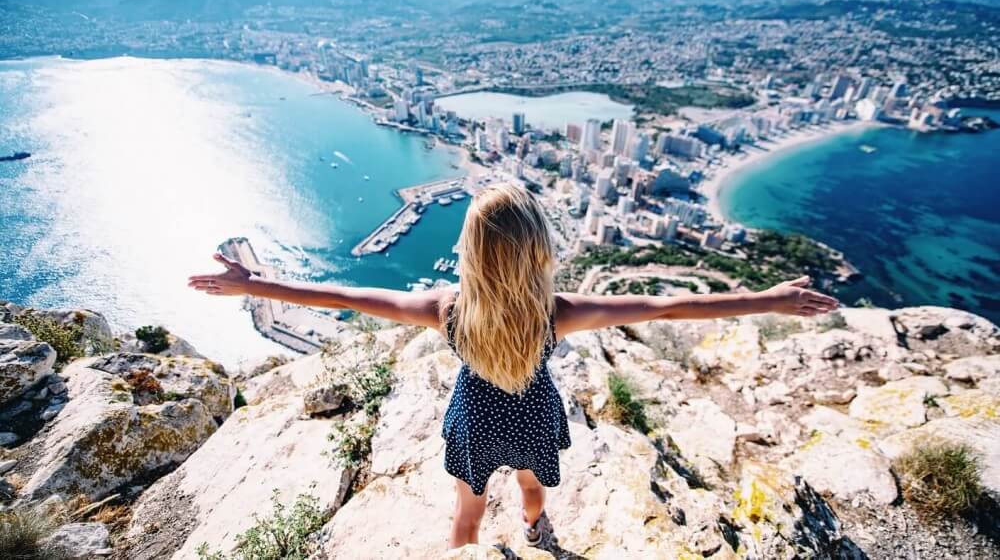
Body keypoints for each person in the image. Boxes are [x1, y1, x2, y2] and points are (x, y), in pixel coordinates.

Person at [188, 182, 838, 549]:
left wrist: (257, 284)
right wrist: (770, 297)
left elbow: (343, 296)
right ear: (537, 250)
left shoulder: (445, 307)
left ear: (470, 250)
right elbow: (666, 305)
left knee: (467, 508)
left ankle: (466, 547)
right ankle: (536, 526)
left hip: (473, 419)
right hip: (532, 415)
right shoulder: (555, 311)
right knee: (531, 485)